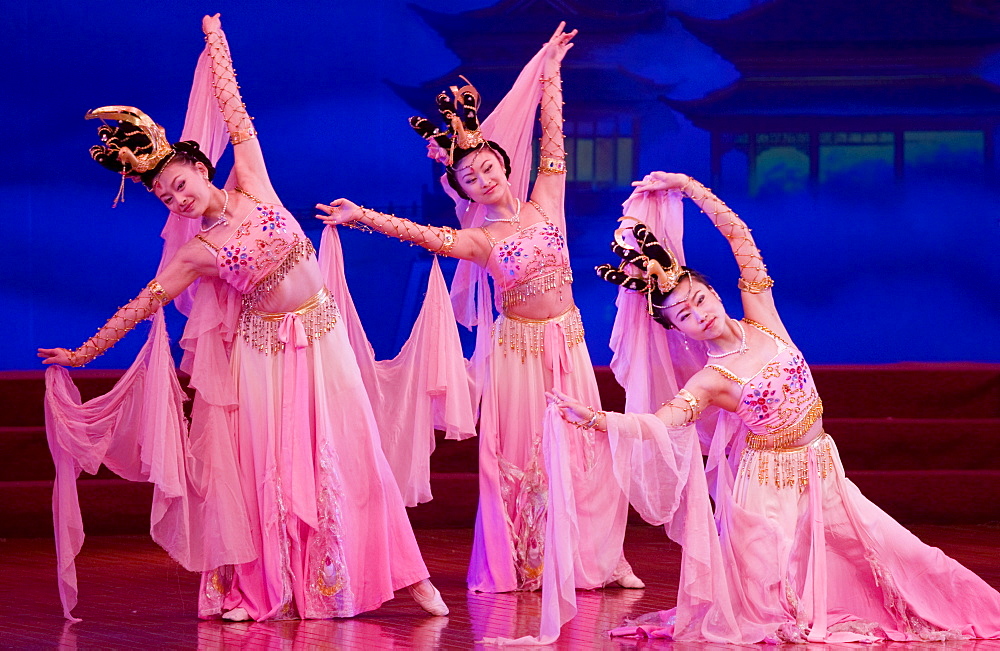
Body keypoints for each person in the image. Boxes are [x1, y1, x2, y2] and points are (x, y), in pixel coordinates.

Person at [38, 14, 447, 622]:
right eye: (166, 196)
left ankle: (408, 578)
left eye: (180, 183)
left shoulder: (254, 184)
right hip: (264, 353)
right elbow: (143, 304)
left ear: (200, 168)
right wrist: (82, 353)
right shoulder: (197, 251)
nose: (178, 198)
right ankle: (258, 586)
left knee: (354, 451)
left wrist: (218, 48)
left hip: (321, 333)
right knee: (272, 468)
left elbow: (238, 117)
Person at [548, 171, 1000, 643]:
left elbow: (740, 237)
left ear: (714, 293)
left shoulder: (761, 317)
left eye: (699, 299)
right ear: (677, 330)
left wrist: (690, 188)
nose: (699, 314)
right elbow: (662, 423)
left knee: (906, 556)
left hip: (822, 467)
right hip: (767, 490)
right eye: (685, 315)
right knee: (777, 607)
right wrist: (598, 420)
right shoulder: (711, 379)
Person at [316, 23, 641, 597]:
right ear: (462, 191)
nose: (483, 177)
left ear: (502, 163)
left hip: (566, 340)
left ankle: (599, 557)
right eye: (469, 177)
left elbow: (553, 138)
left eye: (488, 166)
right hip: (517, 353)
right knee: (521, 455)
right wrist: (362, 215)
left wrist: (551, 74)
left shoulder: (547, 199)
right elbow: (421, 235)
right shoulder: (480, 239)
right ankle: (528, 561)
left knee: (587, 445)